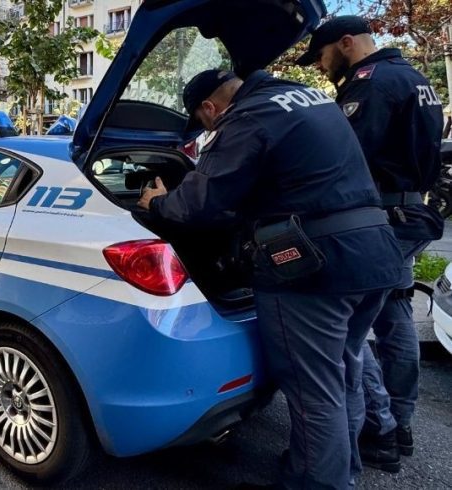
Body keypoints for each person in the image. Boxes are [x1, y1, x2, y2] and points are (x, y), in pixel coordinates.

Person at [138, 69, 403, 488]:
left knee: (312, 387)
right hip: (375, 253)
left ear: (210, 108)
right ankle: (337, 466)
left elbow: (201, 203)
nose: (210, 128)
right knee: (344, 371)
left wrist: (157, 203)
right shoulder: (309, 99)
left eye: (205, 123)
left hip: (315, 269)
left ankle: (317, 481)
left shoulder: (248, 117)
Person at [296, 16, 445, 472]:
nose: (320, 69)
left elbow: (342, 160)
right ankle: (399, 424)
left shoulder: (371, 84)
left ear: (345, 44)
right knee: (394, 316)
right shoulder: (415, 77)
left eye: (321, 57)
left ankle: (378, 428)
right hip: (411, 213)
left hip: (378, 221)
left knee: (350, 331)